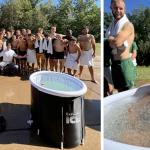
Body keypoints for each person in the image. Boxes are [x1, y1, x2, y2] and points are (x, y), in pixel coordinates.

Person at [106, 0, 136, 92]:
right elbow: (114, 41)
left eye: (121, 8)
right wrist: (112, 39)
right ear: (111, 7)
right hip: (114, 64)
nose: (118, 10)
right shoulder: (112, 24)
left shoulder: (128, 25)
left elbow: (116, 43)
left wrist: (109, 39)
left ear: (125, 9)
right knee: (119, 92)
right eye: (115, 8)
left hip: (124, 64)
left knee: (128, 95)